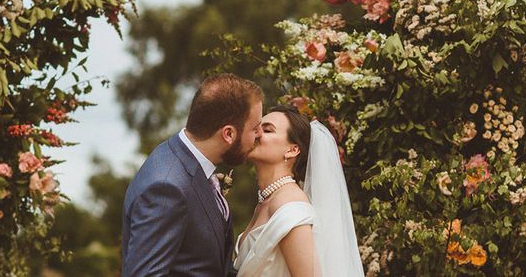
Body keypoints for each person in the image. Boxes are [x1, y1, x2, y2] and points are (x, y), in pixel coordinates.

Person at [121, 73, 263, 276]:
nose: (259, 135)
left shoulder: (189, 162)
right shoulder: (166, 187)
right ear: (229, 134)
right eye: (255, 127)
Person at [234, 106, 364, 277]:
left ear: (292, 150)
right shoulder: (267, 200)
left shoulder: (290, 205)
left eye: (267, 130)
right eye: (257, 127)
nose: (257, 133)